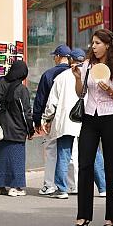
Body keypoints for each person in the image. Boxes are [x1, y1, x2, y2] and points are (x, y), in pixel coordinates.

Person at [71, 29, 113, 226]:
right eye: (92, 43)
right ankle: (83, 216)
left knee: (111, 165)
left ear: (107, 45)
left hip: (111, 118)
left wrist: (110, 90)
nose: (93, 46)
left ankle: (112, 216)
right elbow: (81, 93)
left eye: (97, 43)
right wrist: (78, 78)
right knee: (84, 163)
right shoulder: (87, 65)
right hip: (89, 117)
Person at [43, 48, 106, 198]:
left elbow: (52, 102)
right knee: (95, 154)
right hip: (88, 119)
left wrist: (47, 118)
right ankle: (103, 187)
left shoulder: (61, 78)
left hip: (66, 121)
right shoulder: (92, 76)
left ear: (71, 60)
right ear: (83, 60)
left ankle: (62, 189)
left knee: (63, 154)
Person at [33, 44, 71, 195]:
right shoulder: (75, 73)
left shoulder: (48, 74)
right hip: (73, 119)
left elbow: (40, 100)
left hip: (52, 118)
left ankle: (49, 185)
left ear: (57, 57)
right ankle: (71, 185)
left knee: (51, 151)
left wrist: (37, 120)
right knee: (70, 151)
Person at [0, 61, 35, 196]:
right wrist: (30, 130)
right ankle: (14, 187)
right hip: (17, 129)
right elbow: (25, 112)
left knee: (1, 157)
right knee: (16, 158)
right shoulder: (21, 89)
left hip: (0, 128)